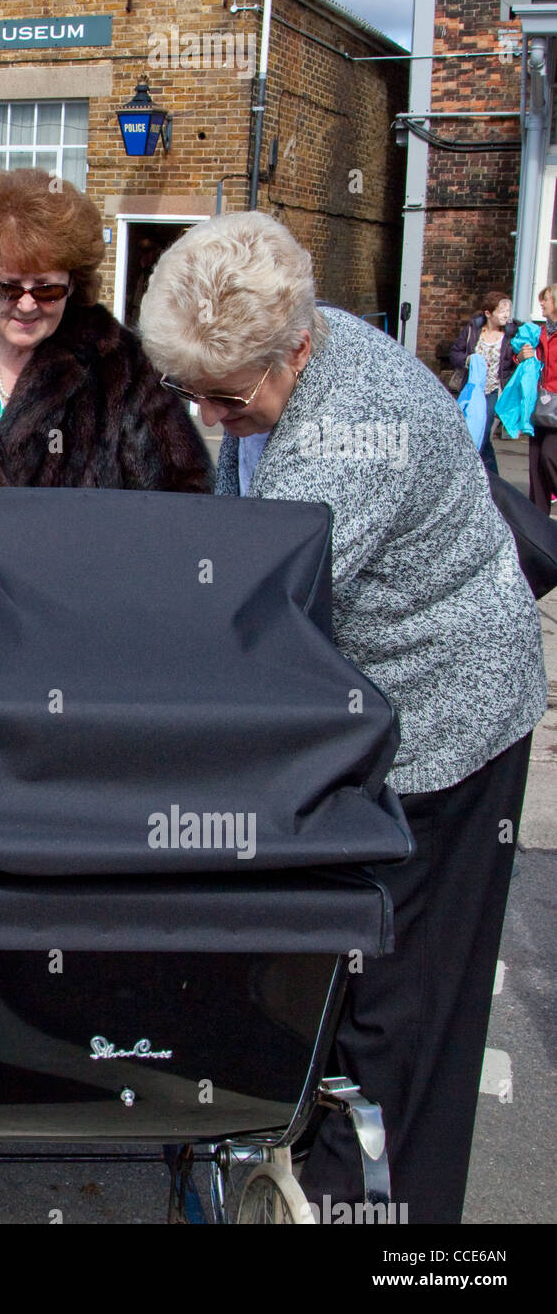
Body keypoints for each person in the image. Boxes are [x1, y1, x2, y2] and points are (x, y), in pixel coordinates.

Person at [137, 211, 545, 1224]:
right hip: (365, 691)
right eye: (190, 392)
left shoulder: (348, 431)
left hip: (448, 712)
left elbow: (259, 624)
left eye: (226, 399)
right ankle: (312, 1160)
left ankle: (390, 1221)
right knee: (332, 954)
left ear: (300, 344)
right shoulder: (266, 374)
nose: (209, 416)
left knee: (409, 1005)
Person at [0, 167, 212, 524]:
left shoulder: (122, 366)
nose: (28, 305)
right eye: (8, 288)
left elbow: (181, 500)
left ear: (74, 284)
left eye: (47, 290)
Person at [448, 290, 517, 472]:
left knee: (483, 434)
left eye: (508, 310)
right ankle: (484, 477)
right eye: (502, 311)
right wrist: (468, 360)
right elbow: (455, 353)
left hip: (494, 391)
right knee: (470, 433)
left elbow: (515, 362)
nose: (506, 315)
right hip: (472, 390)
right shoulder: (473, 330)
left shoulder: (511, 334)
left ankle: (490, 479)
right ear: (488, 313)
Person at [515, 284, 557, 512]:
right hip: (538, 404)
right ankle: (537, 524)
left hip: (556, 405)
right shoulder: (539, 333)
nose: (541, 303)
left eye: (546, 300)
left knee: (550, 455)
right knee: (536, 466)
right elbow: (525, 364)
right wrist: (520, 357)